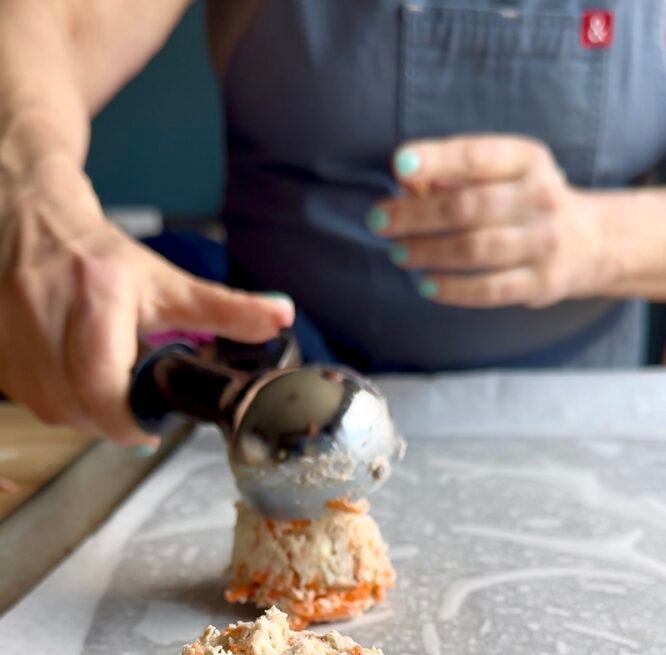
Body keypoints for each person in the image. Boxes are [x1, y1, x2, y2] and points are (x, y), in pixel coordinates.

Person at [1, 1, 665, 451]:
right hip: (256, 415)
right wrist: (33, 197)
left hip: (575, 426)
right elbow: (44, 27)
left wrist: (597, 239)